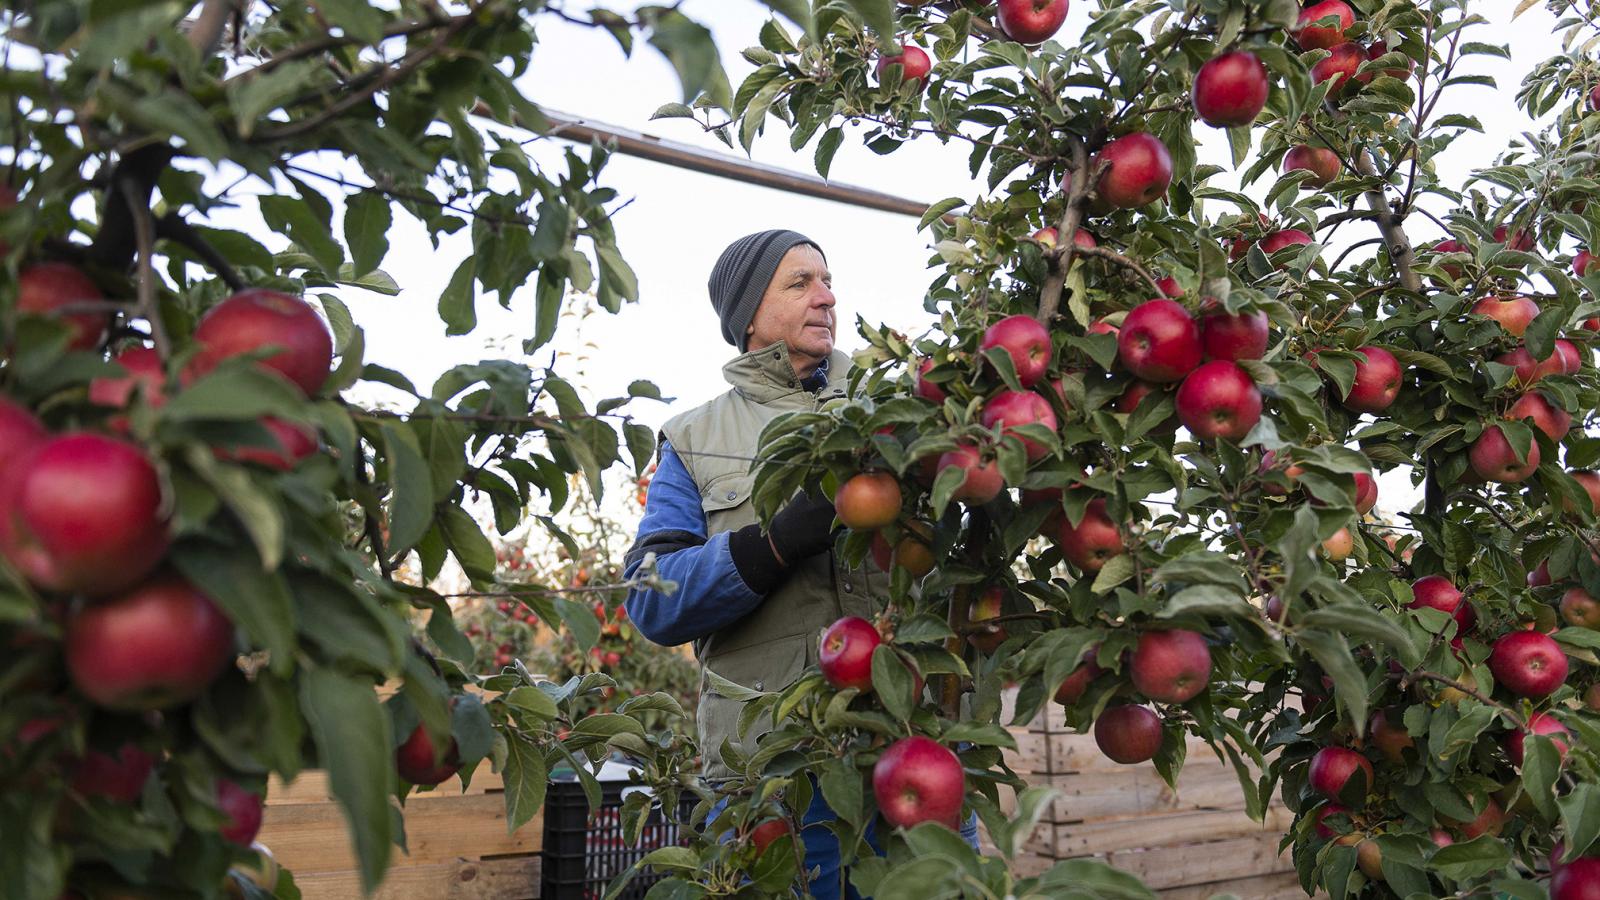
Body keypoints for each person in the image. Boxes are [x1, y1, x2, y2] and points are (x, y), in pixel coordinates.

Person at [622, 230, 977, 898]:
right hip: (778, 776)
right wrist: (771, 545)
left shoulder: (893, 411)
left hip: (916, 747)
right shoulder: (694, 440)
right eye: (800, 282)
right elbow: (650, 598)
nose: (827, 297)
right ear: (749, 315)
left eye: (828, 280)